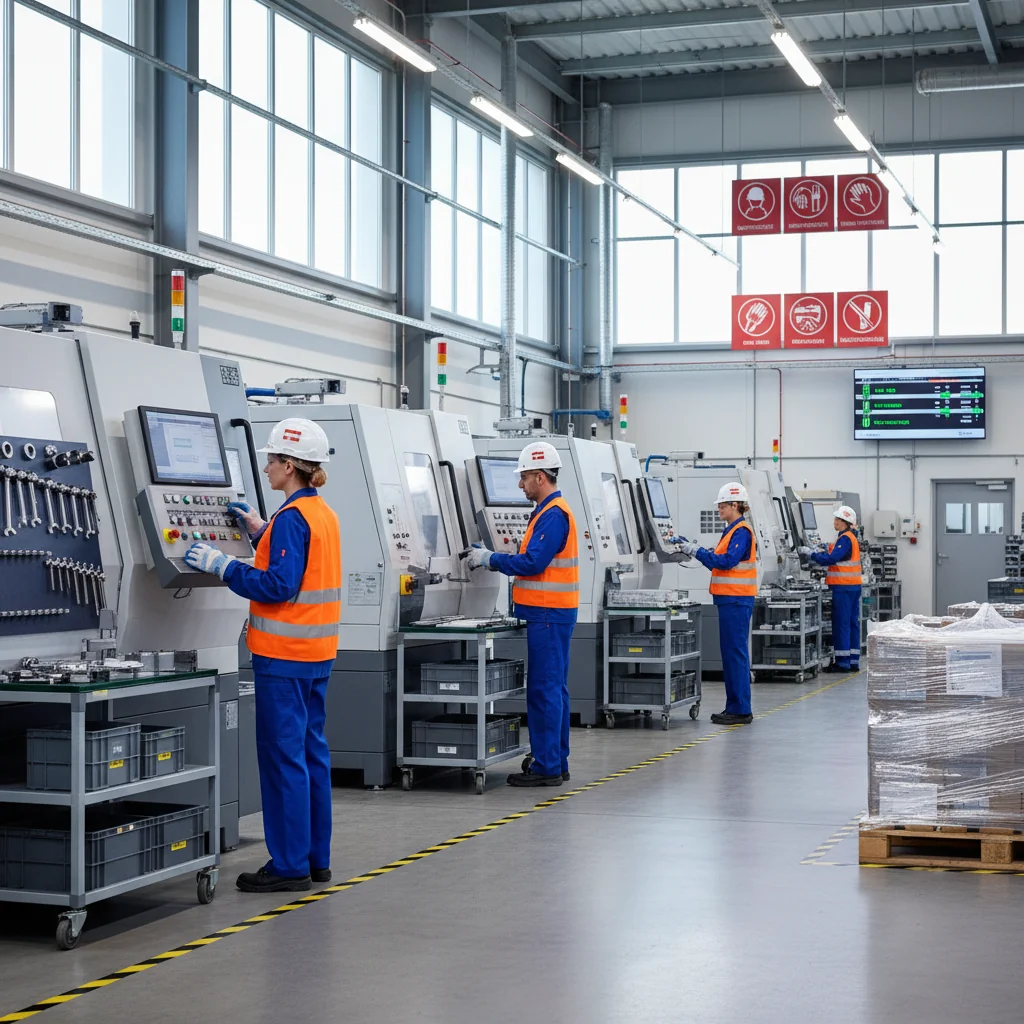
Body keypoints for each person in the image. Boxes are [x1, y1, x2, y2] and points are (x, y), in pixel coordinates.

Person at [183, 417, 341, 893]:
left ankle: (289, 865)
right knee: (311, 754)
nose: (267, 468)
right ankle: (316, 859)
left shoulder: (293, 519)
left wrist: (224, 564)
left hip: (284, 656)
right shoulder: (319, 514)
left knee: (282, 758)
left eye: (271, 460)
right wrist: (259, 533)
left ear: (289, 465)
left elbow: (277, 584)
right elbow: (297, 565)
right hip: (316, 654)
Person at [466, 442, 578, 787]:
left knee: (544, 690)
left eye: (525, 478)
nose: (520, 485)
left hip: (549, 614)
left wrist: (489, 559)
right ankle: (555, 760)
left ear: (540, 477)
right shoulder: (549, 512)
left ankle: (547, 767)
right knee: (553, 688)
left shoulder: (553, 515)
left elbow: (532, 563)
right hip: (551, 613)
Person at [670, 482, 757, 726]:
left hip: (737, 599)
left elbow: (727, 561)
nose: (718, 508)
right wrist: (694, 550)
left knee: (735, 654)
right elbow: (717, 563)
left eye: (722, 504)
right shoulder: (730, 530)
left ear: (735, 505)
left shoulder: (741, 531)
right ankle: (736, 707)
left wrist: (696, 549)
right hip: (730, 599)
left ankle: (740, 710)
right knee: (731, 654)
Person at [800, 506, 861, 673]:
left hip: (844, 587)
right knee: (851, 623)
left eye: (837, 519)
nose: (834, 522)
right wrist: (822, 549)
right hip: (852, 586)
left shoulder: (846, 538)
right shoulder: (848, 537)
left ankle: (842, 662)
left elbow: (832, 559)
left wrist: (811, 554)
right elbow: (835, 553)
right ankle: (853, 660)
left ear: (845, 522)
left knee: (841, 623)